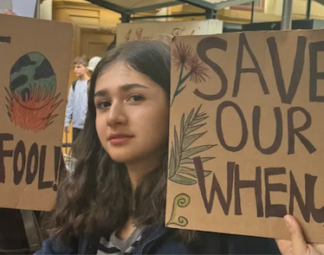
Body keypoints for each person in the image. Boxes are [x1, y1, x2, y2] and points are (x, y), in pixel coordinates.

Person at [36, 41, 324, 255]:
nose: (114, 117)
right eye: (103, 104)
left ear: (179, 106)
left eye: (135, 97)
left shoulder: (225, 218)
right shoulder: (86, 200)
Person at [64, 55, 90, 142]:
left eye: (79, 67)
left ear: (86, 68)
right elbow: (70, 105)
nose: (76, 69)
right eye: (75, 67)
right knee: (75, 150)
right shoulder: (74, 85)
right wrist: (67, 122)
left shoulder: (91, 83)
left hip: (87, 125)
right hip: (76, 125)